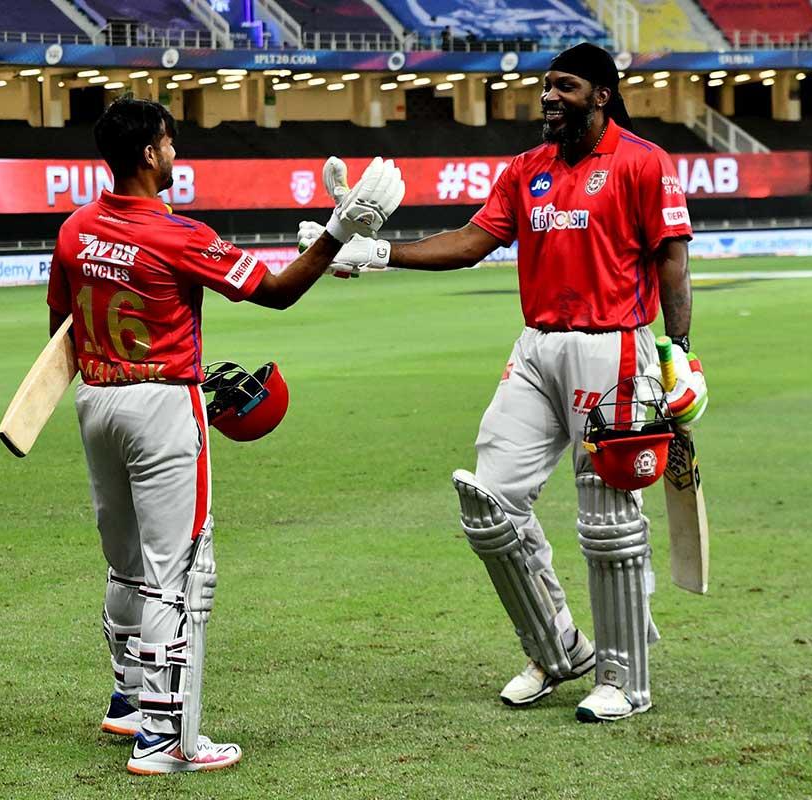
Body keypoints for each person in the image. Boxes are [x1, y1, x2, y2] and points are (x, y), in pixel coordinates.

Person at [302, 43, 707, 722]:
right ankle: (558, 650)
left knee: (608, 520)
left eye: (566, 87)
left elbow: (673, 262)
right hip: (536, 347)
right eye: (546, 87)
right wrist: (374, 252)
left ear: (602, 94)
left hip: (615, 347)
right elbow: (470, 242)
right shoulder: (527, 170)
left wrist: (680, 355)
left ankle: (625, 676)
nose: (549, 97)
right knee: (489, 501)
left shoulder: (644, 162)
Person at [46, 96, 403, 773]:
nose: (177, 155)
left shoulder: (74, 229)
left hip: (95, 400)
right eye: (172, 144)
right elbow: (276, 292)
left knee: (125, 562)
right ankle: (168, 741)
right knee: (177, 573)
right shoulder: (180, 233)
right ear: (151, 153)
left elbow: (61, 327)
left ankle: (127, 702)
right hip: (161, 406)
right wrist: (337, 231)